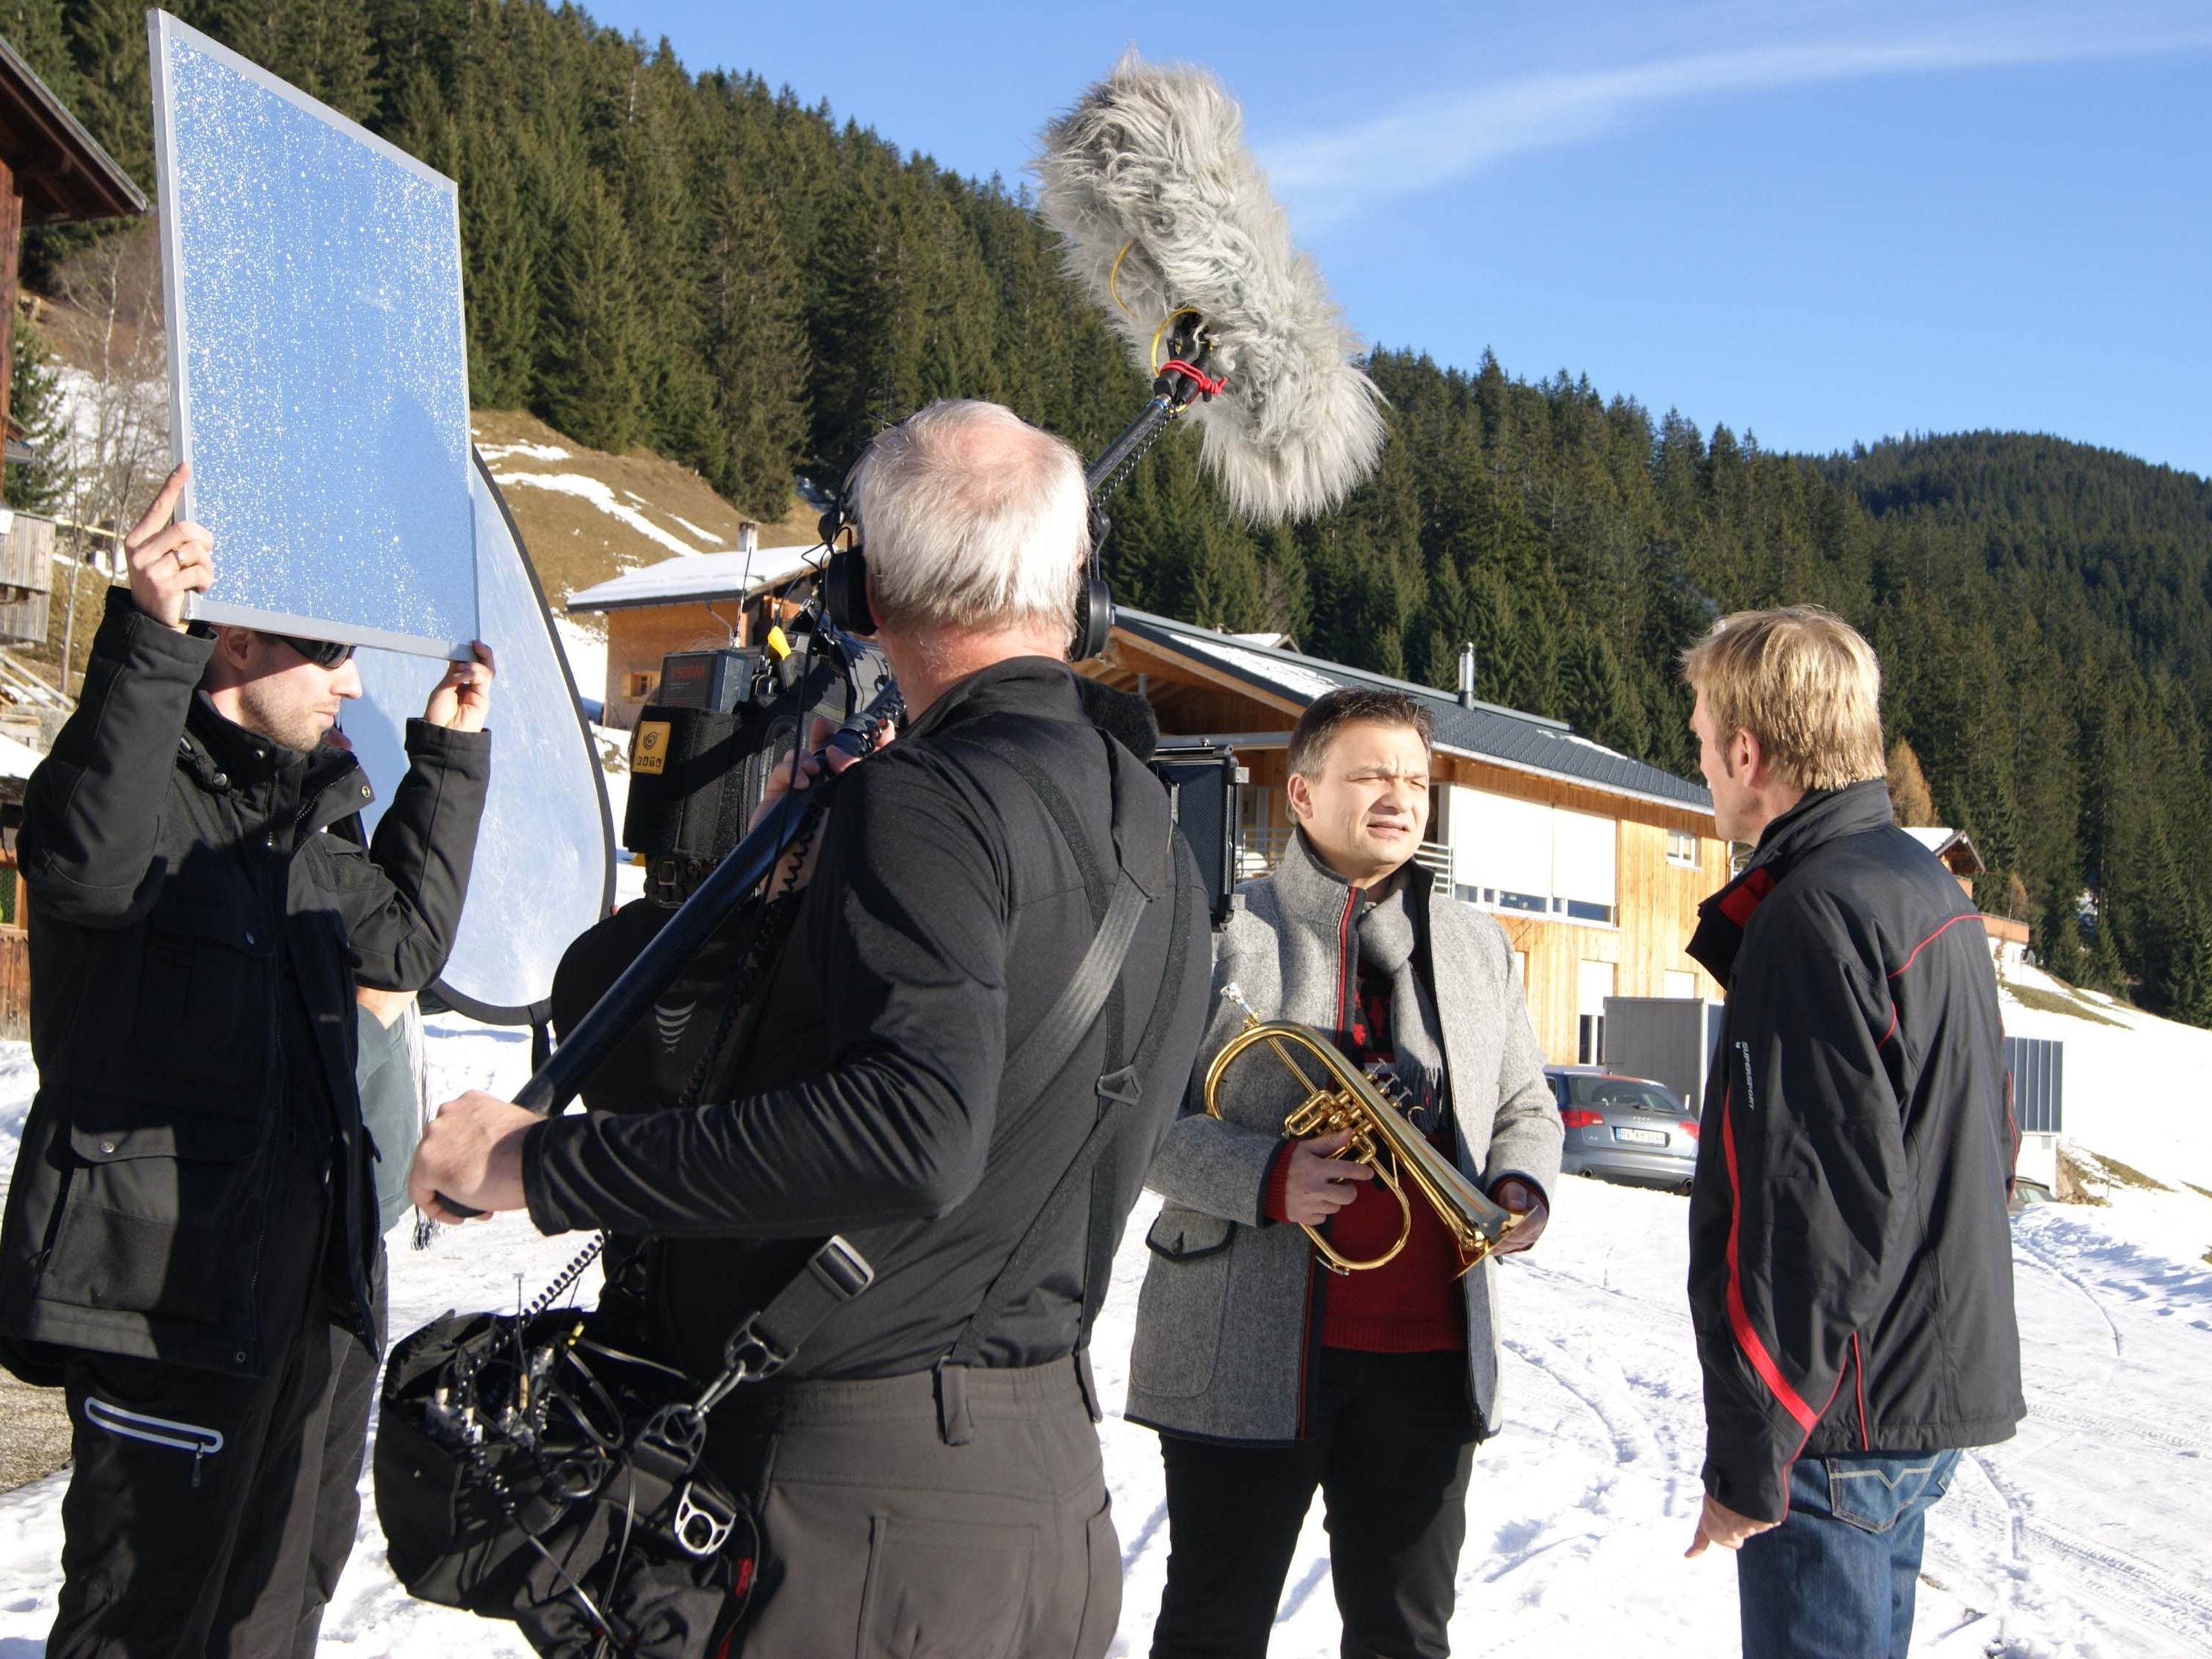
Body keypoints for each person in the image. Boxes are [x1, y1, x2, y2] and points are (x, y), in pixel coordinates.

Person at [412, 399, 1214, 1659]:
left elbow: (913, 1132)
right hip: (1043, 1506)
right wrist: (804, 904)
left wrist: (532, 1167)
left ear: (864, 585)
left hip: (853, 1523)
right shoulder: (1153, 830)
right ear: (1078, 580)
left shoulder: (926, 802)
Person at [0, 463, 494, 1659]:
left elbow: (402, 945)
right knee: (143, 1620)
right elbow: (80, 870)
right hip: (171, 1305)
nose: (351, 682)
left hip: (311, 1305)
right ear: (231, 640)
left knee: (276, 1611)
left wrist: (445, 756)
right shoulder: (129, 786)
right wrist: (143, 634)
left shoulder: (305, 814)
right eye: (326, 650)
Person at [1128, 686, 1563, 1659]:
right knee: (1212, 1628)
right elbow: (1134, 1118)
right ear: (1302, 794)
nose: (1398, 797)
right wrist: (1265, 1176)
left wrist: (1521, 1185)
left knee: (1406, 1636)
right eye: (1369, 774)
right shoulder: (1217, 928)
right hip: (1242, 1350)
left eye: (1415, 779)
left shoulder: (1478, 943)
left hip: (1429, 1361)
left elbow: (1525, 1107)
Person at [1677, 607, 2023, 1659]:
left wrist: (1753, 1451)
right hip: (1915, 1393)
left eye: (1698, 739)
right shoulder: (1925, 886)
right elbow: (1989, 1142)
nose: (1697, 761)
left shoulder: (1812, 912)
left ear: (1748, 752)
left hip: (1836, 1420)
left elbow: (1806, 1211)